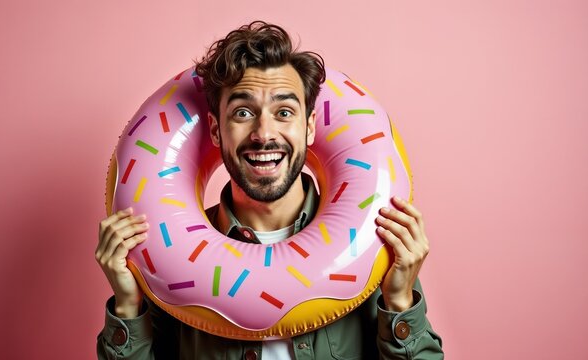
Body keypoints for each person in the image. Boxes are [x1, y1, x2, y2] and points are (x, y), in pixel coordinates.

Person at [96, 21, 443, 359]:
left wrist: (399, 302)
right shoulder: (166, 259)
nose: (264, 133)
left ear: (309, 128)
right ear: (216, 131)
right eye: (243, 112)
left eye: (284, 112)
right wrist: (128, 307)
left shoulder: (371, 243)